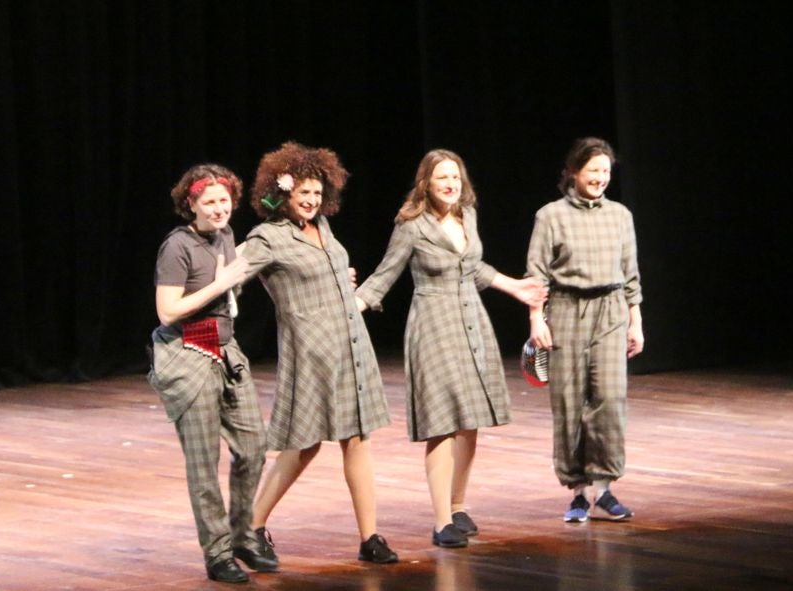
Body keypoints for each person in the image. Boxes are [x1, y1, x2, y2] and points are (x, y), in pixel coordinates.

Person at [355, 149, 547, 548]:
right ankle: (442, 520)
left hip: (472, 323)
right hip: (433, 324)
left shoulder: (467, 216)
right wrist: (351, 308)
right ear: (426, 183)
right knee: (441, 424)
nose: (450, 184)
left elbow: (472, 268)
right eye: (442, 177)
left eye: (456, 178)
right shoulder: (411, 226)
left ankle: (458, 505)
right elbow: (385, 274)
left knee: (469, 419)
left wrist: (513, 286)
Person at [237, 142, 399, 565]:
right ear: (283, 192)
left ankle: (371, 537)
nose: (310, 200)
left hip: (349, 344)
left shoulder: (323, 227)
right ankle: (250, 526)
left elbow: (325, 270)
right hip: (311, 352)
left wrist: (338, 277)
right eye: (302, 193)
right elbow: (230, 276)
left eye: (316, 193)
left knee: (357, 438)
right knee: (303, 445)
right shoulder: (267, 237)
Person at [147, 163, 269, 583]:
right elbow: (167, 310)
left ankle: (242, 535)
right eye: (210, 202)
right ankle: (218, 554)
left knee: (254, 445)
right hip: (188, 352)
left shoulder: (227, 234)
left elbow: (268, 208)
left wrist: (283, 188)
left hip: (226, 348)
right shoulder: (177, 246)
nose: (219, 209)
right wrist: (221, 284)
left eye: (225, 201)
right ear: (191, 204)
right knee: (204, 463)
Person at [525, 137, 644, 523]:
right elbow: (536, 274)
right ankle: (577, 492)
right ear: (574, 172)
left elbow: (630, 276)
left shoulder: (620, 216)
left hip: (610, 311)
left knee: (610, 398)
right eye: (593, 170)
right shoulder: (550, 216)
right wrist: (536, 318)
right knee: (569, 402)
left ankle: (605, 489)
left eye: (605, 171)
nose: (600, 178)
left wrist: (635, 321)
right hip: (566, 309)